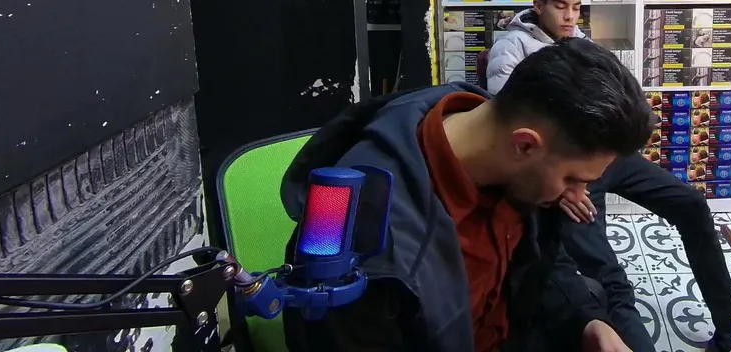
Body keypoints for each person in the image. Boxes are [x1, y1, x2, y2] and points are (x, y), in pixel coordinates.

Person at [280, 38, 654, 352]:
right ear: (525, 145)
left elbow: (539, 258)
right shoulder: (355, 236)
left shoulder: (490, 129)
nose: (578, 194)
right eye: (573, 179)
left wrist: (586, 322)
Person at [485, 0, 731, 352]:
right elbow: (512, 128)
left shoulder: (582, 44)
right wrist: (565, 186)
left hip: (606, 158)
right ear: (538, 6)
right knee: (610, 278)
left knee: (691, 204)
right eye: (560, 7)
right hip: (565, 173)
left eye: (576, 7)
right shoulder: (512, 49)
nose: (570, 16)